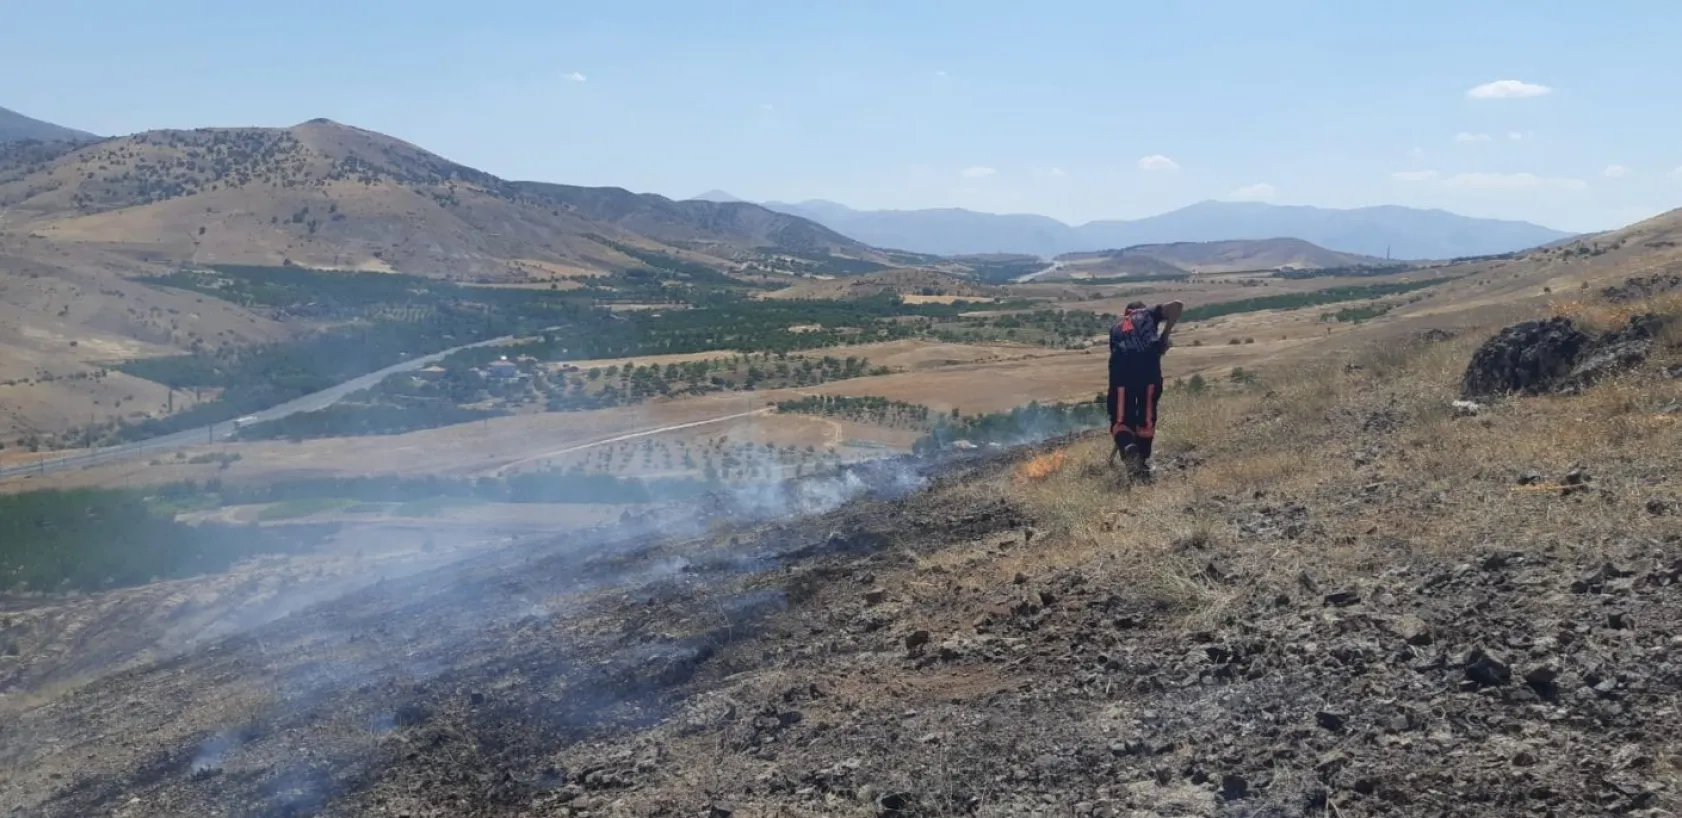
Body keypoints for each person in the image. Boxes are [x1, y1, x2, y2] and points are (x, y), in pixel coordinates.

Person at [1107, 299, 1183, 479]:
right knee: (1146, 417)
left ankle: (1128, 447)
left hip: (1121, 373)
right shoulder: (1148, 313)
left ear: (1126, 312)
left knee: (1121, 419)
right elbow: (1177, 305)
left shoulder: (1115, 327)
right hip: (1149, 370)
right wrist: (1165, 335)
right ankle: (1140, 461)